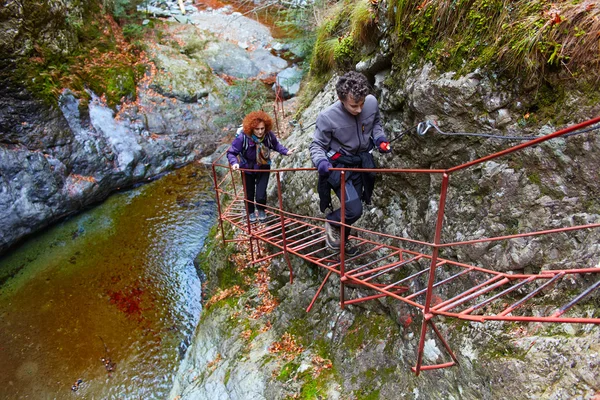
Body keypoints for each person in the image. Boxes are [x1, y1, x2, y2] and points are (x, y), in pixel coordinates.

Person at [309, 71, 391, 253]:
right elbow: (316, 145)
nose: (360, 109)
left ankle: (341, 245)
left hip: (360, 163)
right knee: (353, 209)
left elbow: (375, 123)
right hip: (339, 166)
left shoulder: (370, 103)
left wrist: (380, 139)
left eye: (362, 104)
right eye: (354, 106)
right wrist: (321, 162)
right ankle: (331, 220)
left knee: (353, 206)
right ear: (341, 99)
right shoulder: (327, 117)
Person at [227, 110, 294, 223]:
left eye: (262, 128)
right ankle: (251, 212)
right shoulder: (242, 138)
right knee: (249, 194)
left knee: (260, 194)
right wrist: (234, 163)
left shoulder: (268, 136)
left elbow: (276, 145)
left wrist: (285, 151)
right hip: (247, 168)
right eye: (257, 129)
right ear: (251, 128)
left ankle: (261, 210)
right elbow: (231, 152)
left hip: (263, 166)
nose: (260, 132)